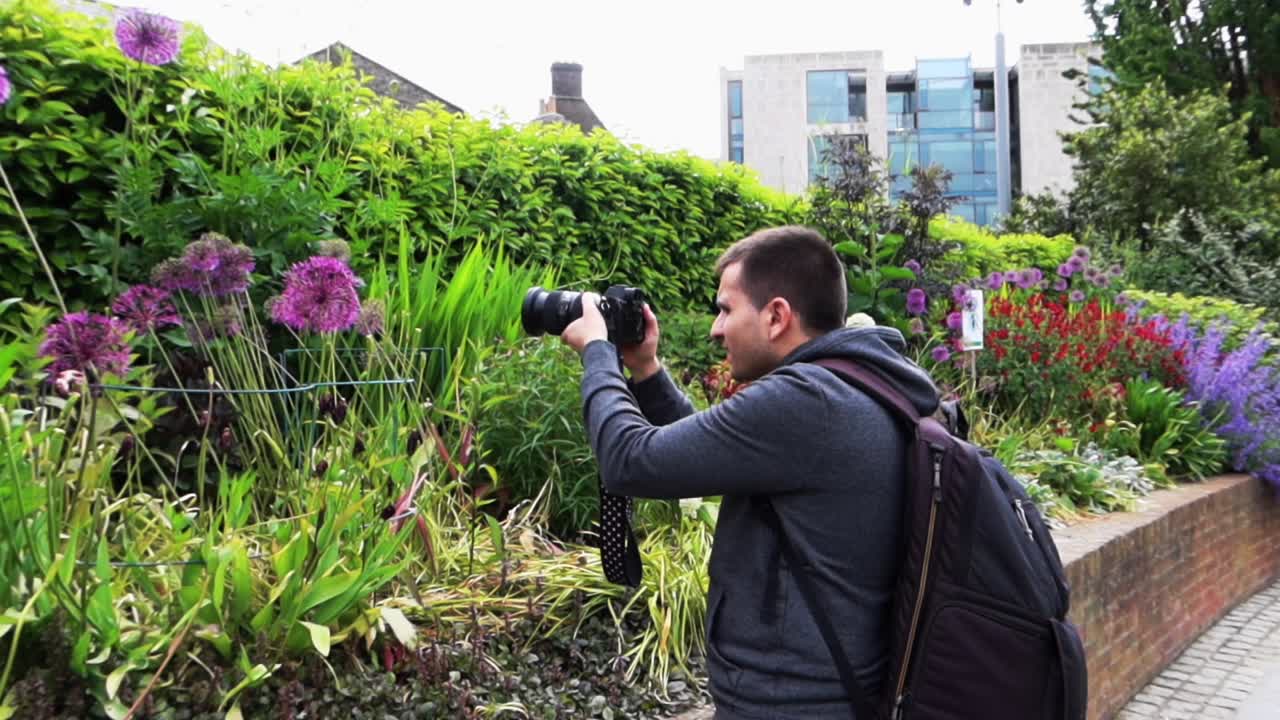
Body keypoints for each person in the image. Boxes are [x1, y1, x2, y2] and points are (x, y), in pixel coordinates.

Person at [559, 225, 940, 720]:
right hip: (831, 693)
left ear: (776, 315)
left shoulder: (808, 401)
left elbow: (630, 461)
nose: (715, 329)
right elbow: (712, 454)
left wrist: (598, 353)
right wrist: (646, 370)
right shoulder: (855, 386)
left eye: (726, 309)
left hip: (789, 704)